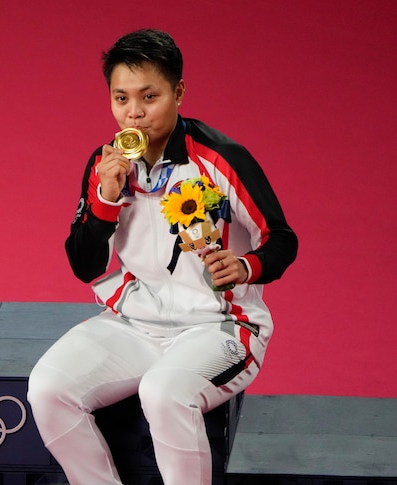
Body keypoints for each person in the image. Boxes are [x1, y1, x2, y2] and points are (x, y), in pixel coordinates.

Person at [27, 29, 297, 485]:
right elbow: (85, 266)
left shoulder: (222, 159)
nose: (134, 112)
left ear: (179, 92)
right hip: (135, 323)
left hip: (220, 326)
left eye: (149, 96)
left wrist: (247, 266)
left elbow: (282, 239)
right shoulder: (105, 163)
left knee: (163, 391)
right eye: (121, 98)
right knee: (48, 389)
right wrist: (105, 201)